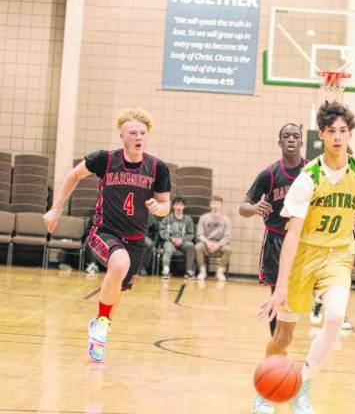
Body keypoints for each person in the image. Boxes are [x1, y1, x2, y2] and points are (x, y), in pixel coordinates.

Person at [254, 102, 355, 414]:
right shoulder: (308, 177)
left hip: (338, 254)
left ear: (350, 133)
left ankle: (303, 385)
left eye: (343, 130)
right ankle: (265, 390)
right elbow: (293, 235)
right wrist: (282, 286)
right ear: (322, 136)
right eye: (331, 131)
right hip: (304, 255)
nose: (337, 137)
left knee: (336, 317)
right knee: (283, 337)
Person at [43, 107, 170, 363]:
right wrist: (55, 209)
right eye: (133, 132)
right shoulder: (104, 159)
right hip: (104, 231)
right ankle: (101, 323)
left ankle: (101, 328)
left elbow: (166, 204)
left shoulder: (157, 167)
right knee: (119, 263)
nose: (139, 137)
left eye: (143, 133)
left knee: (119, 288)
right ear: (121, 135)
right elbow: (73, 175)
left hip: (135, 239)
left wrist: (160, 208)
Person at [239, 122, 305, 335]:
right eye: (287, 136)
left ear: (302, 141)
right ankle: (276, 342)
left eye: (295, 136)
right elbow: (243, 207)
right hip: (276, 240)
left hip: (304, 240)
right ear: (280, 142)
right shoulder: (269, 174)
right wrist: (256, 207)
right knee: (277, 293)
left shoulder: (312, 171)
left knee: (306, 290)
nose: (291, 139)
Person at [195, 195, 232, 281]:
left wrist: (218, 245)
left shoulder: (226, 219)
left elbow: (227, 237)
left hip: (220, 245)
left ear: (221, 205)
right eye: (213, 203)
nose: (215, 206)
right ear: (210, 205)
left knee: (228, 249)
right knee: (198, 247)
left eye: (218, 204)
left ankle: (220, 272)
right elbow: (200, 234)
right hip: (207, 244)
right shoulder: (203, 218)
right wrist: (208, 243)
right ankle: (202, 272)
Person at [160, 196, 196, 279]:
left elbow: (191, 234)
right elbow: (162, 231)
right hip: (170, 241)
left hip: (183, 242)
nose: (179, 207)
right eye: (177, 204)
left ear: (184, 207)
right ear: (173, 206)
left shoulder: (188, 220)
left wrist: (182, 240)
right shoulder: (167, 219)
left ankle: (189, 271)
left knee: (191, 246)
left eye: (181, 205)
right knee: (168, 248)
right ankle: (166, 271)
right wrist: (171, 238)